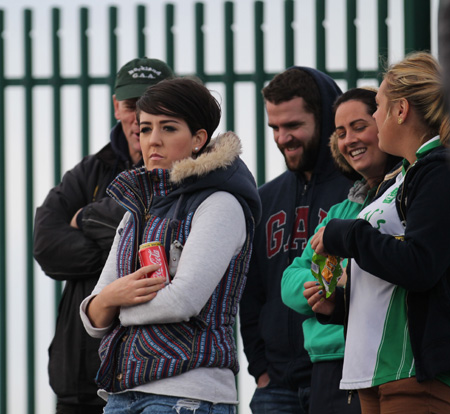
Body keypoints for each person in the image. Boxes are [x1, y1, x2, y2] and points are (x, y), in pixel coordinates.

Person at [79, 77, 262, 414]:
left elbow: (182, 301)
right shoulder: (135, 212)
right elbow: (92, 315)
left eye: (169, 128)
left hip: (188, 394)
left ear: (198, 139)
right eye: (145, 129)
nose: (153, 141)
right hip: (122, 392)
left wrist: (112, 304)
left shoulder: (220, 203)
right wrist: (106, 300)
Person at [306, 52, 450, 414]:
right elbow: (396, 284)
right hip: (376, 374)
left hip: (413, 375)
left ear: (400, 111)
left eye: (377, 108)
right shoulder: (410, 173)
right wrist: (336, 306)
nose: (373, 119)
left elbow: (421, 264)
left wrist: (347, 234)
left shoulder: (438, 170)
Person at [33, 57, 174, 414]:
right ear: (116, 107)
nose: (139, 117)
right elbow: (46, 245)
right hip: (79, 382)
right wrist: (125, 250)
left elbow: (166, 232)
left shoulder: (183, 174)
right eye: (131, 105)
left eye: (152, 105)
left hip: (152, 383)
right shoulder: (88, 171)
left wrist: (86, 218)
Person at [239, 66, 353, 414]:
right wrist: (259, 369)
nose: (281, 137)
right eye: (274, 127)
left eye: (293, 126)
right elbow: (250, 291)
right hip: (275, 387)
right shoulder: (264, 199)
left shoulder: (357, 193)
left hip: (339, 374)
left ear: (325, 119)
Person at [281, 87, 402, 414]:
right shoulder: (339, 212)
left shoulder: (405, 199)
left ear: (387, 123)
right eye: (340, 132)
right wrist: (324, 288)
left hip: (383, 361)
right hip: (327, 367)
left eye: (359, 126)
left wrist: (340, 285)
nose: (349, 140)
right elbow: (292, 276)